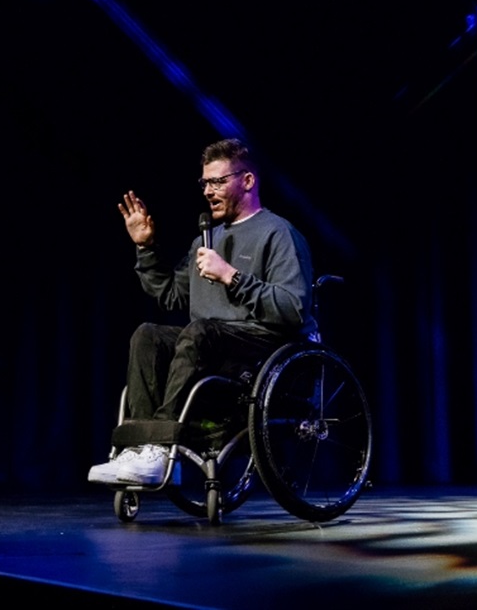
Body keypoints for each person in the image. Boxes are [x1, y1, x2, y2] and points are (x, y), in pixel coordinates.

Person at [88, 138, 316, 485]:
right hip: (211, 344)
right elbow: (170, 295)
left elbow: (293, 308)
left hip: (260, 347)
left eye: (218, 181)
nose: (208, 191)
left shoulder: (278, 233)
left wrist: (232, 277)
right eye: (205, 183)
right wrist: (145, 248)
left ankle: (160, 446)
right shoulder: (205, 240)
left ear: (248, 181)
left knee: (200, 331)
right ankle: (139, 449)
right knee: (148, 335)